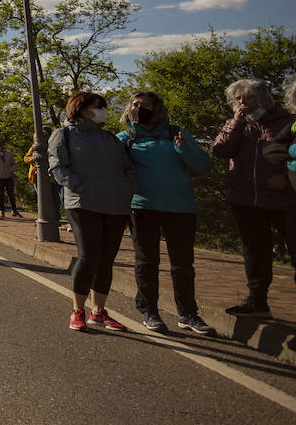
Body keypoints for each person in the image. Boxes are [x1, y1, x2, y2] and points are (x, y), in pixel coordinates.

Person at [118, 91, 215, 335]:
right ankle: (149, 310)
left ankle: (188, 314)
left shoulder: (177, 133)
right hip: (142, 207)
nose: (139, 108)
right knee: (147, 262)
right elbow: (110, 169)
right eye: (135, 104)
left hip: (181, 208)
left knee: (183, 264)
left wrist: (183, 149)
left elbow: (204, 166)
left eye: (144, 104)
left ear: (157, 108)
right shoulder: (125, 138)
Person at [49, 91, 136, 332]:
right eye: (99, 106)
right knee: (88, 256)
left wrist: (126, 188)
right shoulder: (63, 134)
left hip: (115, 205)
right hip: (82, 204)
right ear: (82, 108)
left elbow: (128, 167)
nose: (104, 111)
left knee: (106, 259)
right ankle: (78, 309)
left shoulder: (109, 138)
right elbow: (58, 167)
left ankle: (98, 311)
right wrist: (82, 187)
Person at [212, 79, 296, 319]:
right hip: (245, 197)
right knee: (255, 251)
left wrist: (284, 176)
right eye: (238, 98)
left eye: (248, 97)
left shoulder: (287, 122)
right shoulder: (238, 124)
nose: (243, 102)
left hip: (283, 199)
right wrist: (236, 124)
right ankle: (257, 302)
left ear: (264, 98)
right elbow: (220, 151)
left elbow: (290, 153)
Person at [0, 136, 23, 219]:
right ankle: (1, 211)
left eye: (1, 142)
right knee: (0, 194)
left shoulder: (9, 153)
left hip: (8, 177)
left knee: (11, 194)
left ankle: (14, 210)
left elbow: (14, 164)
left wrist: (11, 170)